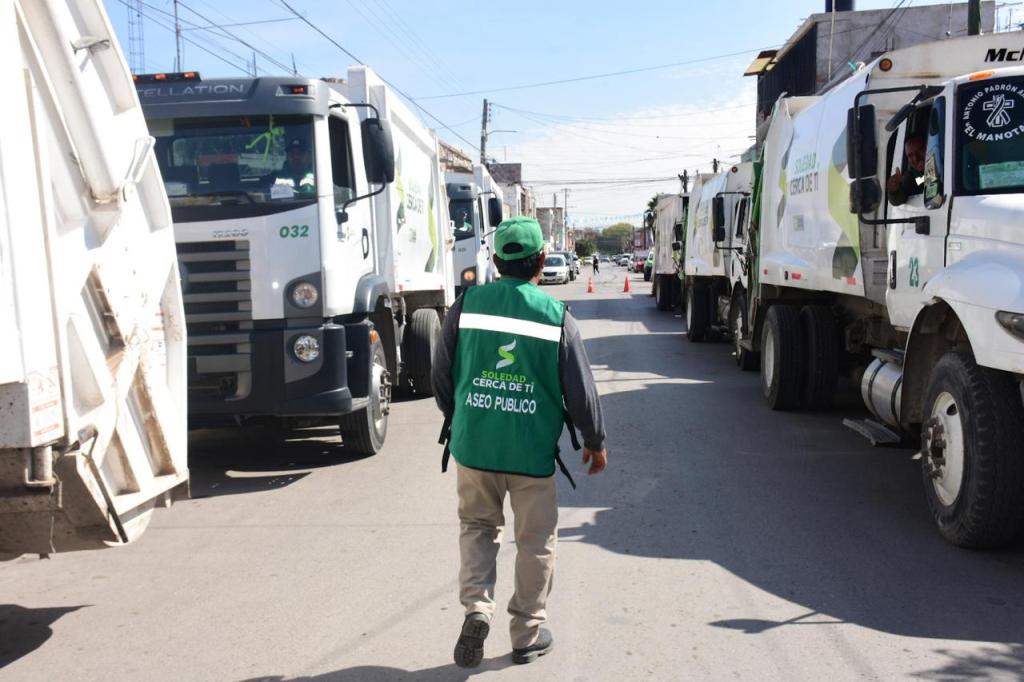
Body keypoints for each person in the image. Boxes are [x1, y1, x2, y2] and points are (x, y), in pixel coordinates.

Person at [431, 216, 607, 668]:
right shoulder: (556, 316)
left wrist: (462, 417)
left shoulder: (466, 305)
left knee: (477, 528)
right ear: (542, 261)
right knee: (536, 541)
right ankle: (526, 633)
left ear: (494, 261)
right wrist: (594, 440)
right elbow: (580, 389)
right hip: (530, 453)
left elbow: (441, 373)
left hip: (476, 447)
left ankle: (477, 609)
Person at [887, 134, 926, 206]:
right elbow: (898, 199)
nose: (915, 158)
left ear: (928, 147)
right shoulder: (911, 177)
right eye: (910, 155)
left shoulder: (942, 163)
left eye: (920, 150)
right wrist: (893, 191)